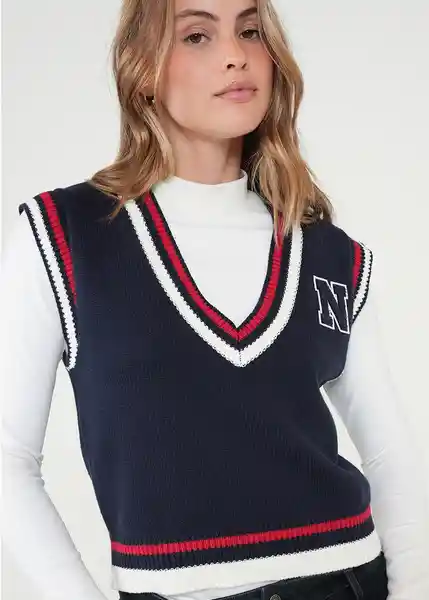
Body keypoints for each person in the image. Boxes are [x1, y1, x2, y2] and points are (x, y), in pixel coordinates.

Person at [1, 0, 429, 599]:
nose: (236, 55)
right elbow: (8, 459)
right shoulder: (64, 236)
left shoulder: (329, 254)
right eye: (197, 35)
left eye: (250, 30)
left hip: (350, 580)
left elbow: (388, 454)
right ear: (143, 69)